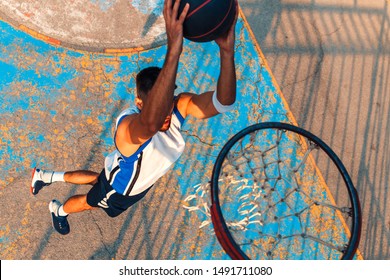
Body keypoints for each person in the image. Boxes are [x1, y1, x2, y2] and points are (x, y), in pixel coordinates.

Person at [31, 0, 238, 235]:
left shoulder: (178, 106)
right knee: (88, 202)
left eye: (168, 101)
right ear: (140, 103)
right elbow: (150, 124)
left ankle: (44, 175)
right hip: (120, 189)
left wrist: (227, 51)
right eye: (157, 106)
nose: (165, 112)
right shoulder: (128, 127)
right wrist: (174, 50)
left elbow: (223, 103)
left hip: (131, 181)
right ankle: (59, 211)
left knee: (99, 179)